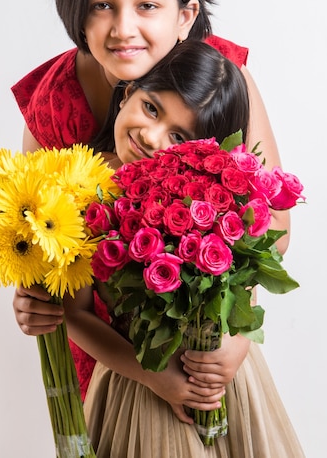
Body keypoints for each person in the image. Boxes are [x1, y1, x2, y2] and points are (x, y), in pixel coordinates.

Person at [11, 0, 292, 428]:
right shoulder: (56, 105)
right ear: (77, 9)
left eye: (146, 5)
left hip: (203, 337)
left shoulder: (218, 83)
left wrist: (234, 338)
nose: (123, 29)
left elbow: (267, 223)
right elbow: (46, 257)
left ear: (184, 16)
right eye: (101, 6)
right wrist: (34, 295)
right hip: (112, 347)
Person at [63, 41, 303, 457]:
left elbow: (242, 274)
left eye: (179, 136)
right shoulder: (77, 190)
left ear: (204, 153)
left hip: (222, 377)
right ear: (127, 93)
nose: (151, 137)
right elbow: (75, 314)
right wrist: (153, 376)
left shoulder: (206, 197)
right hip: (135, 383)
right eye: (152, 109)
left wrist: (239, 343)